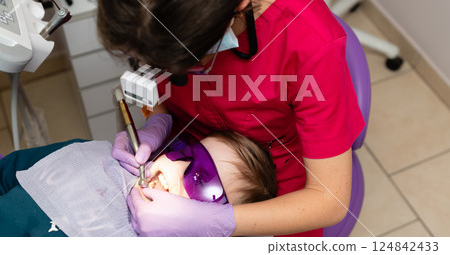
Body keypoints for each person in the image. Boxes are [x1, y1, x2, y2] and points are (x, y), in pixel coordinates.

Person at [97, 0, 365, 237]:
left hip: (272, 180)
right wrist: (158, 119)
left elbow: (330, 201)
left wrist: (220, 222)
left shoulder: (310, 43)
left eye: (186, 63)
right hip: (185, 143)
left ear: (240, 3)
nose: (167, 71)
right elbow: (163, 84)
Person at [0, 117, 277, 237]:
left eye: (203, 183)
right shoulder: (94, 156)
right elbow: (8, 172)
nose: (178, 169)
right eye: (185, 151)